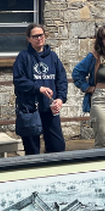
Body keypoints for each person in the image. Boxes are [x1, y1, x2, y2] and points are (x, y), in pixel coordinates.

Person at [13, 23, 68, 154]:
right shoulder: (23, 57)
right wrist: (38, 88)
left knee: (57, 147)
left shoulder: (53, 57)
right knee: (32, 151)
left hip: (50, 109)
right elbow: (19, 80)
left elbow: (62, 80)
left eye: (41, 35)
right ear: (29, 39)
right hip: (30, 110)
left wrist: (60, 99)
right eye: (35, 36)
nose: (39, 38)